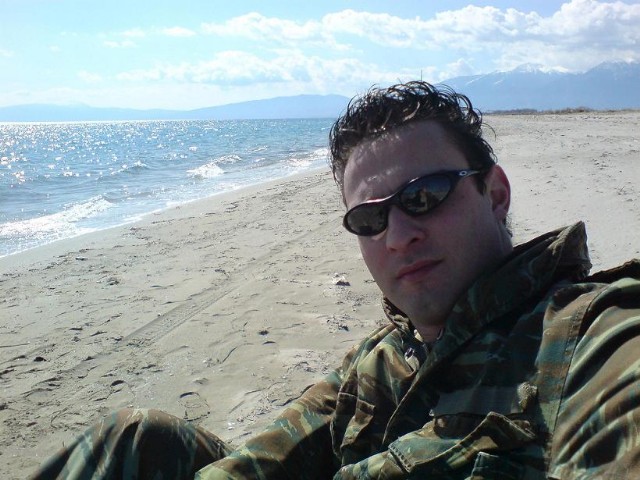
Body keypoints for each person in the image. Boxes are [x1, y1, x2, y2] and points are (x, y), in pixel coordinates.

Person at [30, 81, 640, 479]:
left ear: (495, 193)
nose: (397, 236)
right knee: (134, 439)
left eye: (424, 196)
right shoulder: (382, 360)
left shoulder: (588, 338)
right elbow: (262, 460)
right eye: (370, 219)